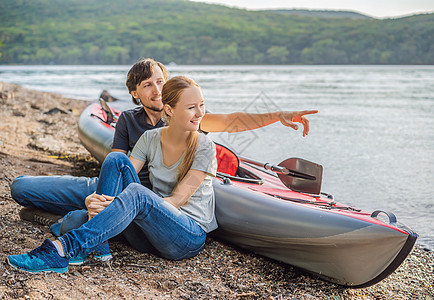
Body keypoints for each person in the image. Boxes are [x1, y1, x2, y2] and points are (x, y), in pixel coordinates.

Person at [9, 58, 317, 259]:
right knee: (22, 188)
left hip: (151, 204)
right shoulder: (130, 122)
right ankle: (83, 223)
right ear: (135, 94)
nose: (156, 89)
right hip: (116, 189)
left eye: (160, 82)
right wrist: (100, 199)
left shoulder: (188, 121)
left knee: (76, 221)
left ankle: (68, 228)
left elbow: (233, 120)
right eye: (148, 85)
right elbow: (118, 164)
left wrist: (278, 115)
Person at [7, 76, 218, 273]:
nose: (200, 113)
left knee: (130, 196)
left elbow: (176, 200)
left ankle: (62, 249)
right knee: (116, 160)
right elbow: (121, 175)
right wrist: (97, 200)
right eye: (192, 107)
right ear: (170, 110)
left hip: (185, 236)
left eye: (202, 105)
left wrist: (120, 204)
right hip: (148, 233)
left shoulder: (205, 147)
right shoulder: (150, 138)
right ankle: (100, 249)